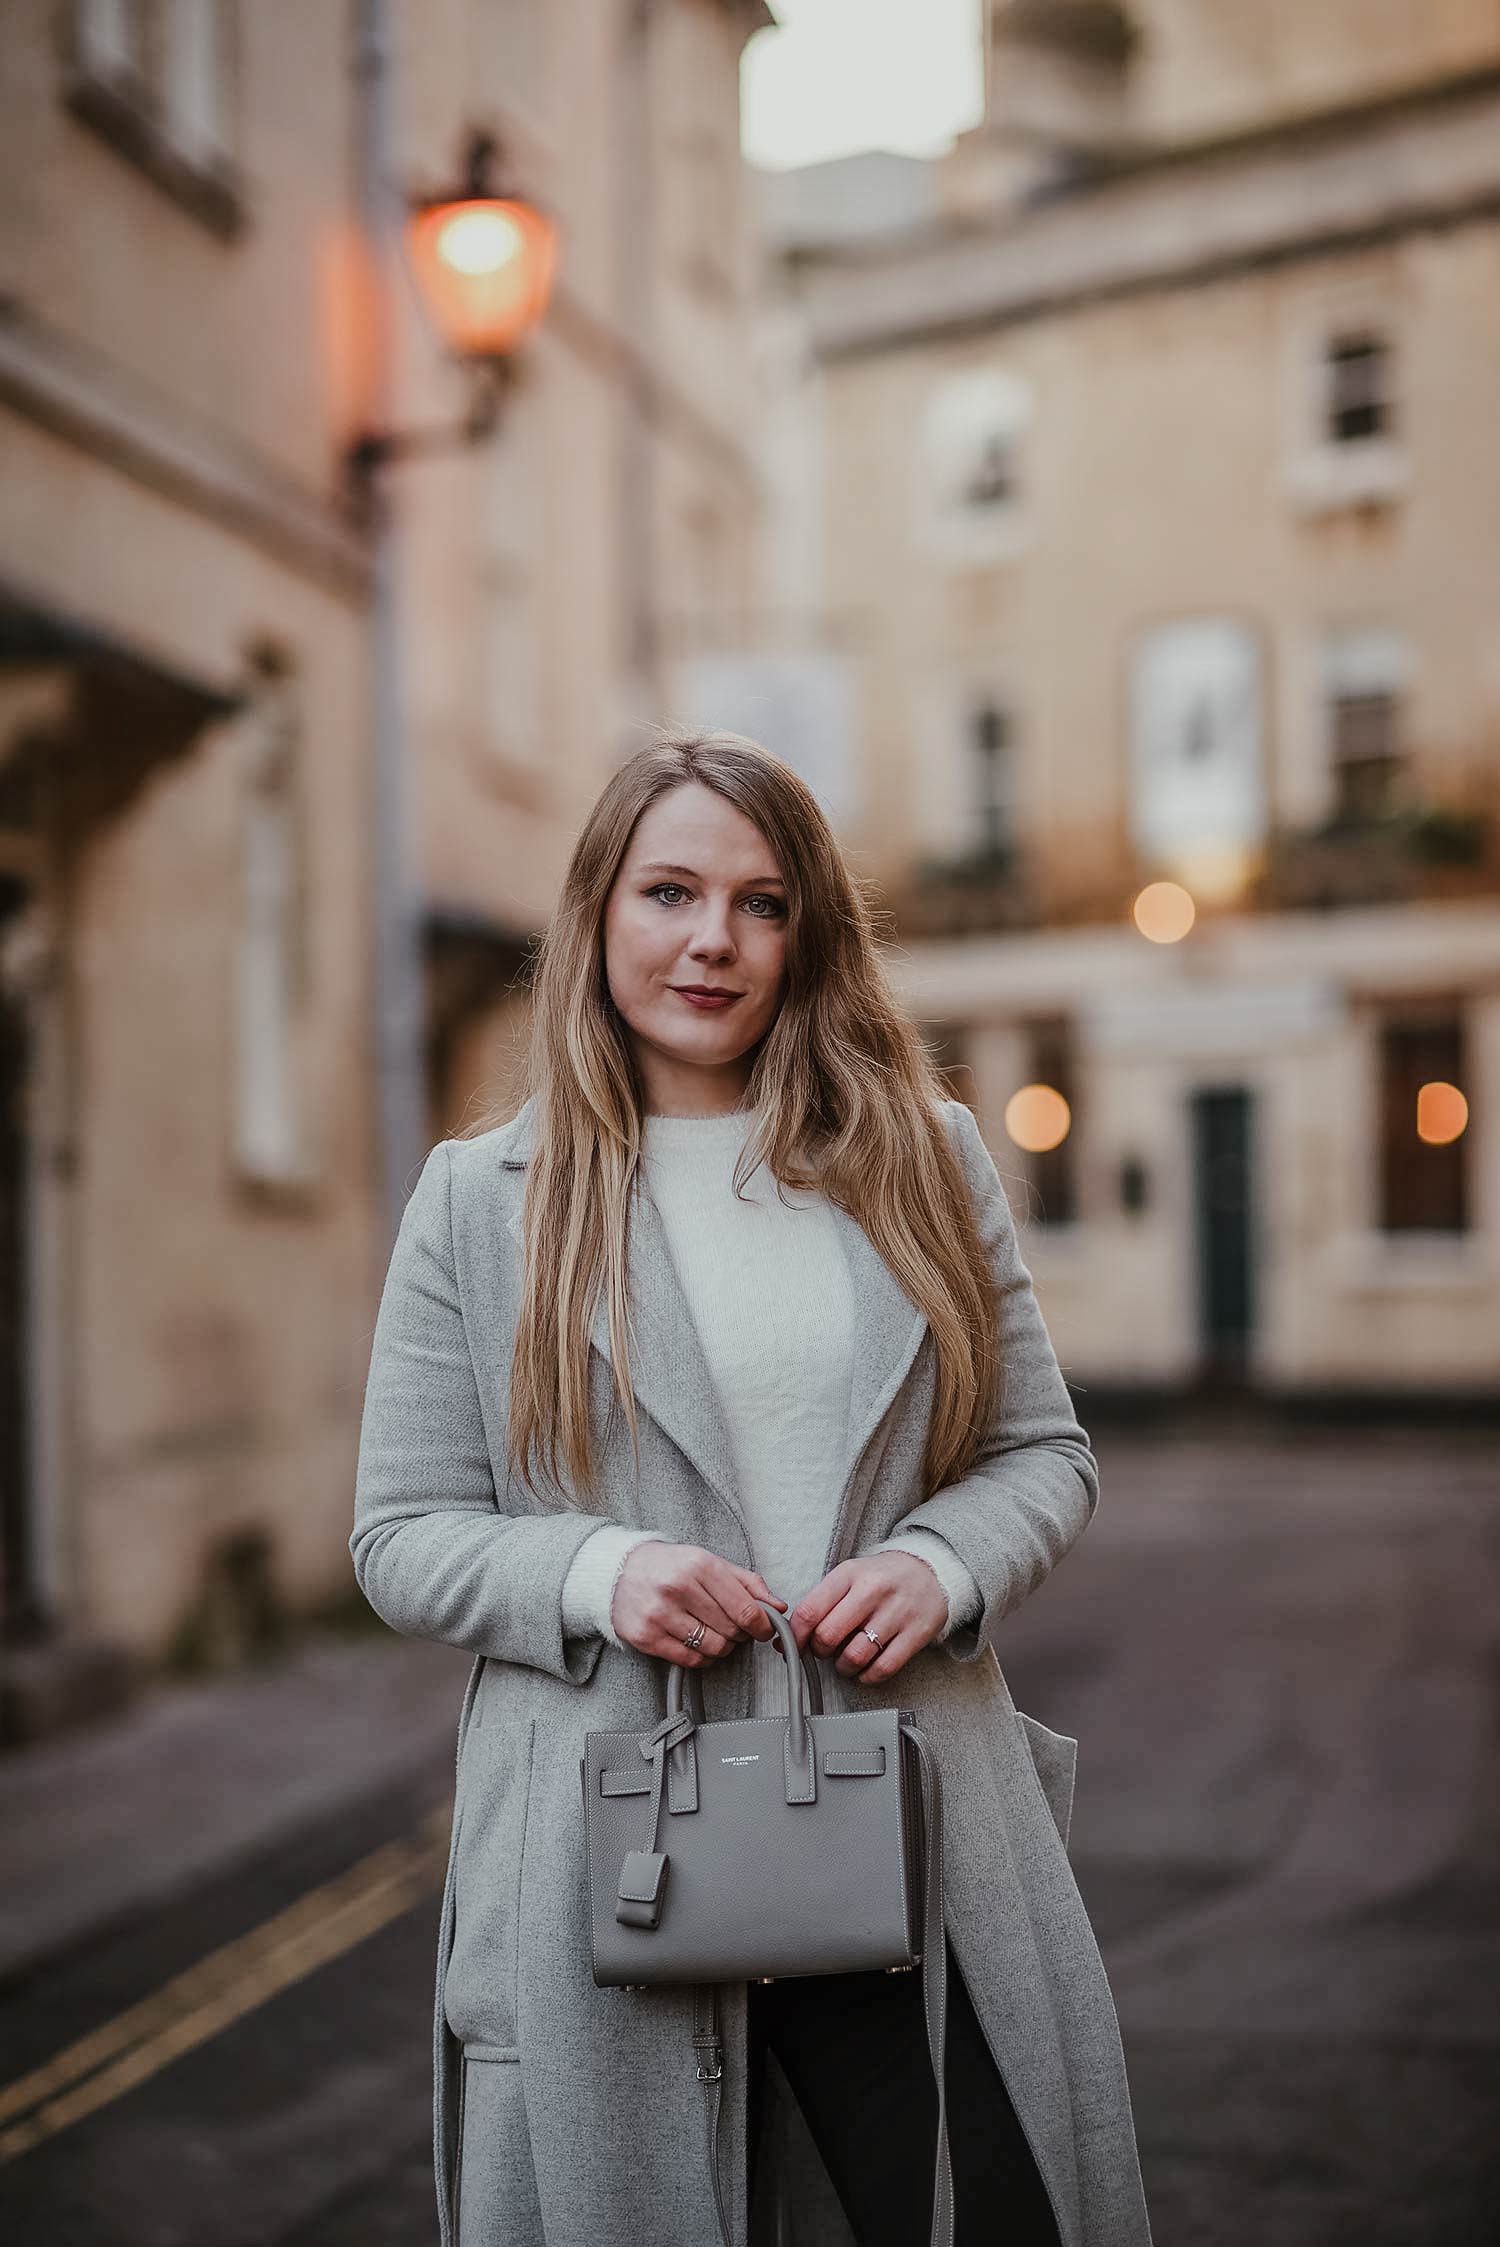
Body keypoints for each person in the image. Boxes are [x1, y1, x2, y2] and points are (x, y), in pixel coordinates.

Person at [351, 729, 1154, 2247]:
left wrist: (942, 1563)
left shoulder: (924, 1159)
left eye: (761, 902)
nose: (712, 939)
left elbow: (1042, 1453)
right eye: (668, 892)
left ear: (808, 937)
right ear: (597, 916)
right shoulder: (482, 1200)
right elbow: (399, 1532)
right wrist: (596, 1574)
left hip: (906, 1815)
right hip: (621, 1849)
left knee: (992, 2213)